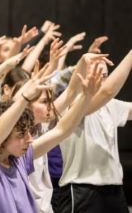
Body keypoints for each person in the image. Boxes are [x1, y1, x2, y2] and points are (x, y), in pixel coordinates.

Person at [0, 62, 102, 213]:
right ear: (4, 137)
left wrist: (86, 96)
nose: (29, 139)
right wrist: (24, 98)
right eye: (21, 135)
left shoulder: (19, 159)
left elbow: (62, 130)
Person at [56, 49, 132, 213]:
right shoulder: (73, 103)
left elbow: (108, 94)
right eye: (95, 74)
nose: (101, 80)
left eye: (104, 76)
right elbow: (108, 91)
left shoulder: (112, 105)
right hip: (81, 189)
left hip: (114, 189)